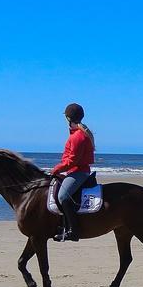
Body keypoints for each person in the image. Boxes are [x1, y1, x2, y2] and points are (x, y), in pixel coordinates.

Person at [50, 103, 95, 242]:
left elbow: (72, 161)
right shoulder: (77, 134)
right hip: (74, 171)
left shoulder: (78, 137)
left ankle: (73, 231)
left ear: (68, 118)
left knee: (63, 196)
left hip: (78, 172)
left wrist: (56, 169)